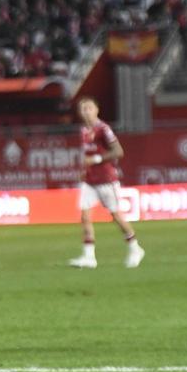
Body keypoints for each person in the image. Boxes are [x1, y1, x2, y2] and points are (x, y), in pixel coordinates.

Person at [69, 97, 144, 269]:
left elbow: (118, 151)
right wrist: (84, 170)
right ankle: (89, 257)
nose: (86, 111)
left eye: (89, 108)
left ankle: (135, 248)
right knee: (85, 216)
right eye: (83, 109)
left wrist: (96, 159)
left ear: (97, 110)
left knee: (116, 216)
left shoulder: (104, 129)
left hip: (106, 180)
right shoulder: (83, 131)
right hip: (90, 181)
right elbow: (86, 155)